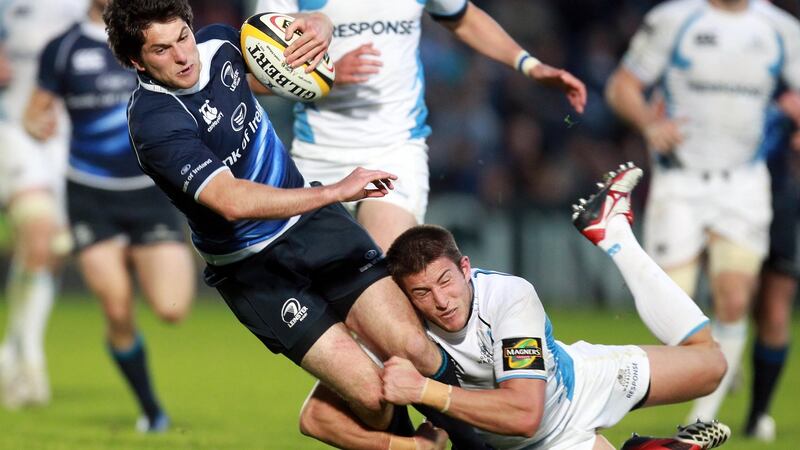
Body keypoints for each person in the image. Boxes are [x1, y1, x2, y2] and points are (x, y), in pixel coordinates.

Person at [103, 0, 488, 447]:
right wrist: (335, 192)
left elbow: (265, 72)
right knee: (371, 394)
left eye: (183, 37)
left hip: (314, 226)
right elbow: (231, 200)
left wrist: (321, 30)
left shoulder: (222, 42)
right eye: (162, 50)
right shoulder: (154, 123)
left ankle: (486, 442)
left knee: (413, 346)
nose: (183, 56)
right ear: (136, 61)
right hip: (252, 269)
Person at [297, 163, 731, 450]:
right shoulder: (398, 326)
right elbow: (315, 419)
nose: (441, 300)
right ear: (405, 295)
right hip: (541, 445)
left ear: (466, 268)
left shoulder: (509, 298)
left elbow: (525, 413)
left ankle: (614, 235)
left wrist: (425, 392)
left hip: (580, 381)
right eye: (422, 293)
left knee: (712, 366)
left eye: (446, 280)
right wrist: (403, 446)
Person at [254, 0, 587, 251]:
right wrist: (328, 76)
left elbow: (464, 18)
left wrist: (528, 64)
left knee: (385, 279)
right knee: (330, 309)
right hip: (318, 154)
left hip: (395, 148)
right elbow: (253, 74)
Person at [604, 0, 800, 422]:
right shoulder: (674, 18)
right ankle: (718, 364)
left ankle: (703, 418)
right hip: (681, 181)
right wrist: (649, 124)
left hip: (744, 182)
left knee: (733, 297)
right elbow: (621, 86)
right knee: (674, 299)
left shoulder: (780, 29)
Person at [22, 0, 196, 431]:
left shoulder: (151, 40)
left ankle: (142, 259)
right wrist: (35, 125)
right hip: (90, 195)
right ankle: (152, 411)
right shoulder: (61, 49)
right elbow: (33, 112)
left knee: (171, 308)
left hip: (149, 191)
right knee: (117, 309)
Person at [0, 0, 88, 409]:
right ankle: (27, 357)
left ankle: (14, 351)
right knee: (38, 232)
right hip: (12, 126)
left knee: (49, 249)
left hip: (65, 137)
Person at [744, 90, 800, 441]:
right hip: (729, 195)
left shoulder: (786, 56)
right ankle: (724, 355)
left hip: (779, 197)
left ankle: (758, 413)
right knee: (736, 297)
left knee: (775, 311)